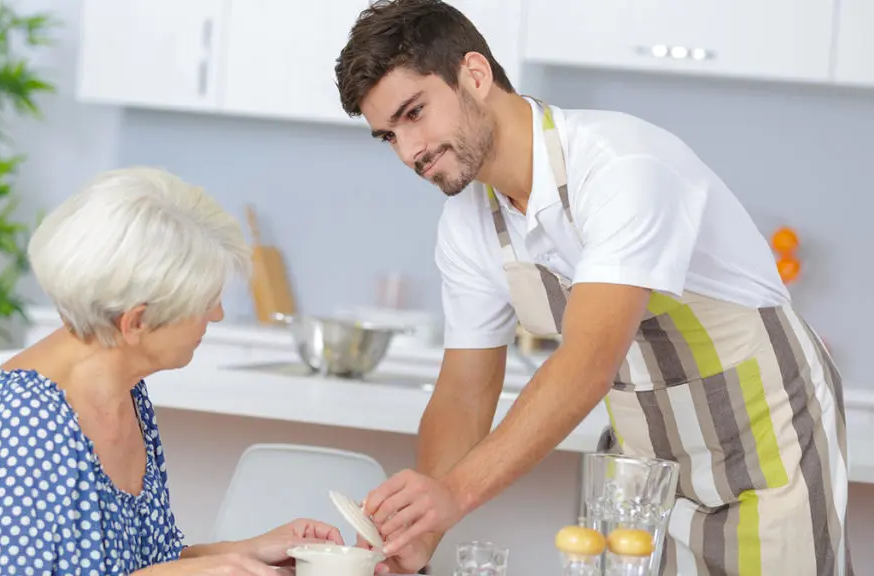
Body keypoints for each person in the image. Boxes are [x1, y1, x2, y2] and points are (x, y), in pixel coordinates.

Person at [334, 1, 853, 574]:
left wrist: (456, 493)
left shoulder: (620, 166)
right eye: (389, 136)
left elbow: (587, 361)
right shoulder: (468, 225)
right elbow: (463, 390)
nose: (410, 152)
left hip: (765, 444)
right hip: (645, 468)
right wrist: (421, 532)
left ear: (475, 75)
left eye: (415, 113)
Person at [0, 166, 345, 575]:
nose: (217, 314)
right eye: (205, 302)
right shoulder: (21, 424)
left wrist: (246, 552)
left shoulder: (125, 394)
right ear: (135, 323)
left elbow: (147, 560)